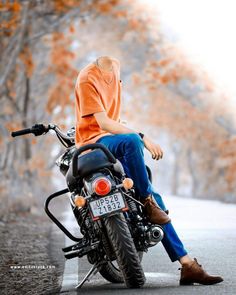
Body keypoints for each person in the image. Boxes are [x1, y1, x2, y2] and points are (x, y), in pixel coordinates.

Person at [74, 56, 223, 285]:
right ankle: (146, 201)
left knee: (156, 196)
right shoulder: (87, 78)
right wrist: (142, 137)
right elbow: (103, 122)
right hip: (92, 143)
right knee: (134, 144)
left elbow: (114, 119)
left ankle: (186, 264)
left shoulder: (115, 66)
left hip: (111, 141)